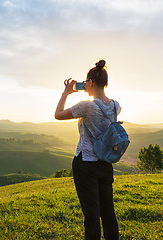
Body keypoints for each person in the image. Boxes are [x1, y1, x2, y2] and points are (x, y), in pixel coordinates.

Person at [54, 60, 120, 240]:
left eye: (86, 82)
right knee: (108, 213)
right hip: (106, 163)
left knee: (91, 215)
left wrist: (66, 93)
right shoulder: (116, 105)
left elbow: (58, 114)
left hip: (86, 164)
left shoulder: (87, 106)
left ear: (90, 82)